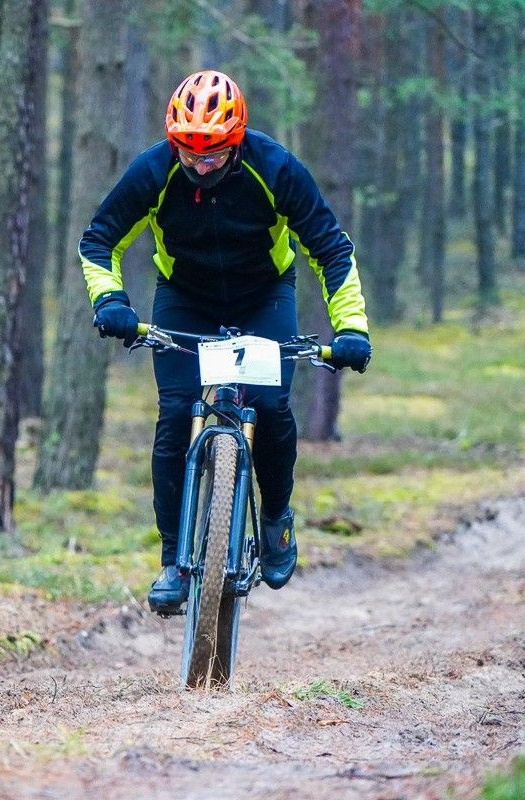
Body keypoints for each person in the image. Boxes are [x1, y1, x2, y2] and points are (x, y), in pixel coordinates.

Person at [78, 69, 372, 614]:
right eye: (189, 153)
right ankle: (174, 561)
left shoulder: (275, 167)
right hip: (184, 297)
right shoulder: (154, 170)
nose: (200, 164)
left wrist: (351, 328)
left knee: (269, 404)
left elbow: (331, 249)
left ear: (236, 141)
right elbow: (98, 241)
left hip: (264, 296)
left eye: (212, 154)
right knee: (173, 418)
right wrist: (111, 303)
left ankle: (277, 517)